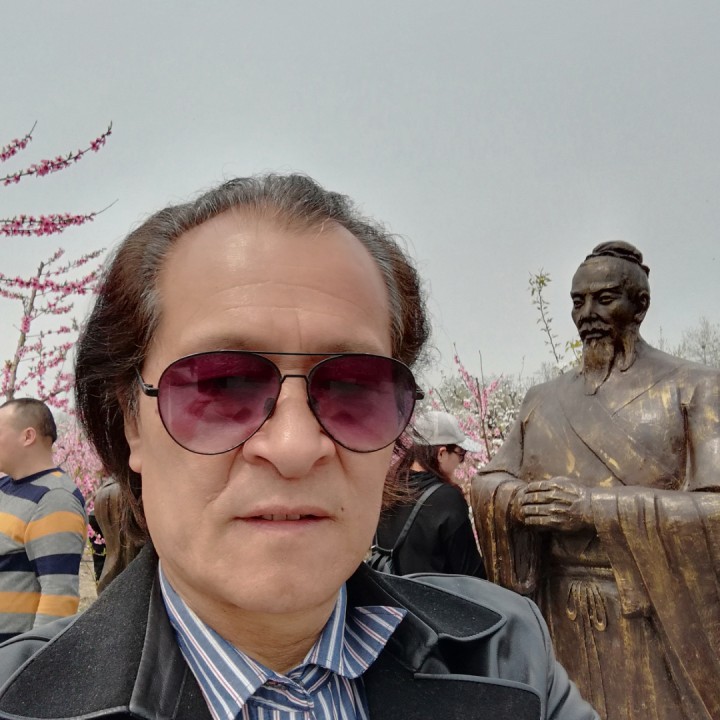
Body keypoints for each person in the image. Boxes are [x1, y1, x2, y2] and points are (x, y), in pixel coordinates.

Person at [0, 175, 597, 720]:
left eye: (353, 387)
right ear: (131, 420)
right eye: (221, 385)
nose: (293, 447)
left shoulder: (507, 654)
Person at [471, 241, 720, 720]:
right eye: (577, 302)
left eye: (605, 299)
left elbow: (714, 510)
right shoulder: (542, 399)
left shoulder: (695, 387)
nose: (587, 315)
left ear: (640, 305)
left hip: (654, 616)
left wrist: (594, 509)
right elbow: (490, 480)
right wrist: (517, 502)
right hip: (558, 611)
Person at [0, 398, 87, 641]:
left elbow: (58, 595)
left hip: (10, 656)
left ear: (28, 436)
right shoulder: (5, 486)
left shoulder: (54, 499)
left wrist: (33, 657)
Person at [372, 410, 485, 577]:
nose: (460, 462)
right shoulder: (447, 499)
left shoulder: (389, 488)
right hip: (429, 593)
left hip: (389, 590)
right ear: (442, 453)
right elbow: (471, 573)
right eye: (461, 454)